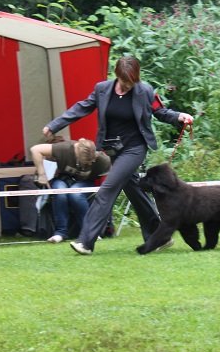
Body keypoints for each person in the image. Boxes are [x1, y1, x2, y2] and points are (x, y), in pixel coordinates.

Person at [42, 55, 194, 256]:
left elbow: (161, 112)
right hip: (113, 149)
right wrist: (54, 125)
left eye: (132, 81)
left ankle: (86, 241)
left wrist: (178, 117)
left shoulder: (145, 91)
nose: (129, 85)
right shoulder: (102, 89)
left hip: (135, 148)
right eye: (125, 81)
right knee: (134, 190)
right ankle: (159, 236)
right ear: (117, 76)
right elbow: (80, 108)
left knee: (107, 189)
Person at [28, 138, 111, 243]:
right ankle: (60, 233)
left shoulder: (103, 160)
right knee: (60, 192)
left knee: (75, 194)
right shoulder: (65, 148)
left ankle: (89, 232)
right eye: (84, 162)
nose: (88, 164)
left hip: (85, 183)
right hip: (62, 179)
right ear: (76, 153)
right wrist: (42, 174)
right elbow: (35, 149)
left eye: (91, 162)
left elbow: (111, 176)